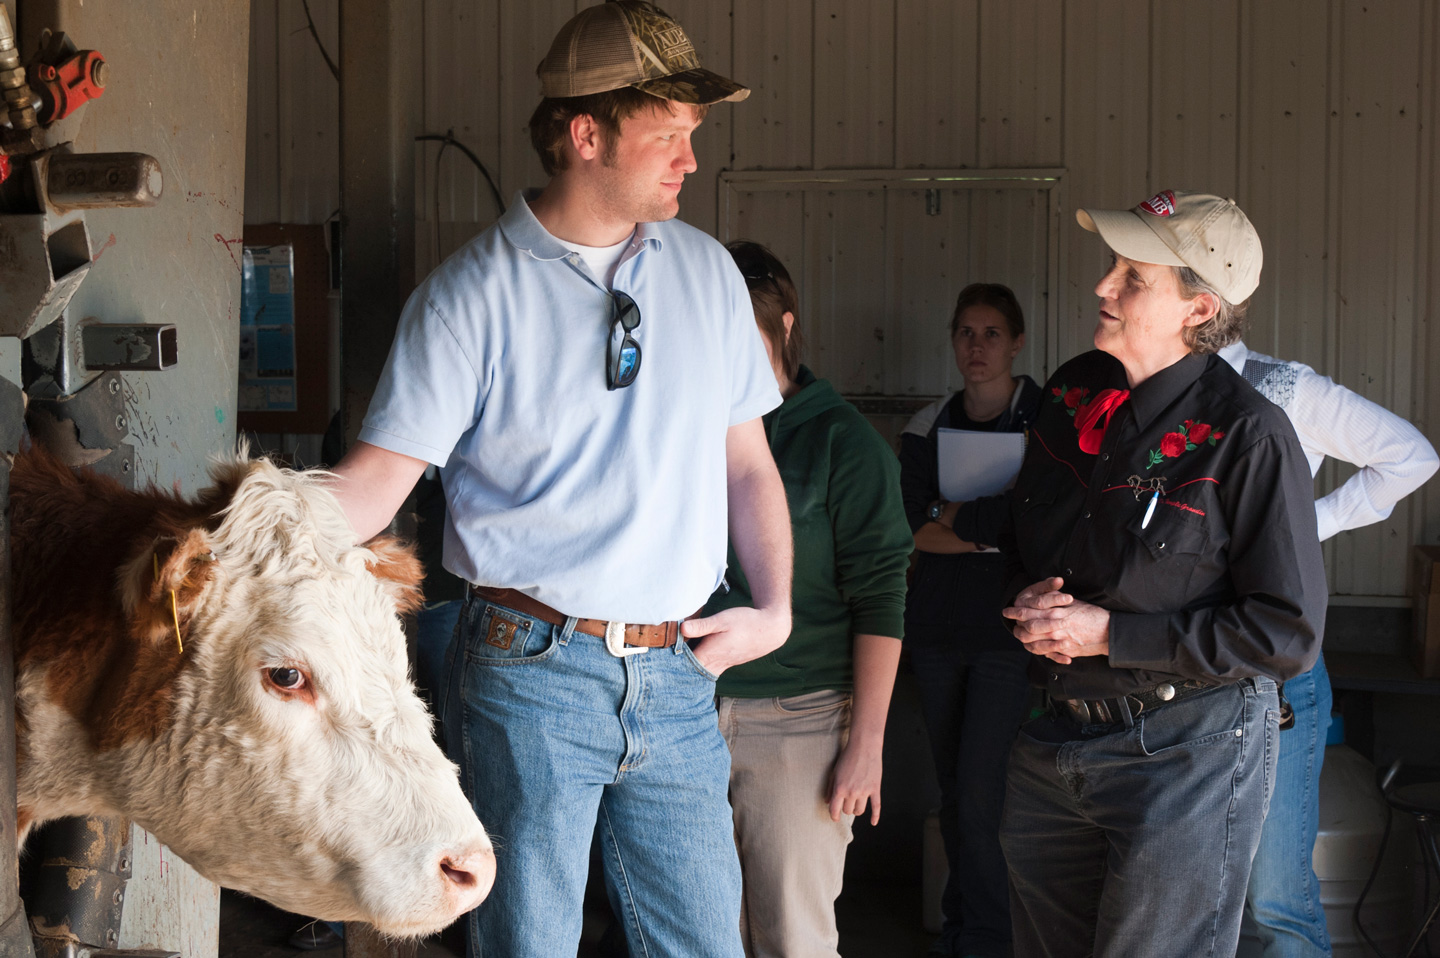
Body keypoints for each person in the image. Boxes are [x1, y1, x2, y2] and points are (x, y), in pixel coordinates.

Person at [326, 4, 794, 956]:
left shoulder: (707, 275)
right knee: (529, 943)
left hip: (676, 671)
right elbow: (373, 487)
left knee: (708, 944)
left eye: (691, 138)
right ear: (587, 135)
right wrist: (231, 535)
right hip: (527, 667)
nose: (689, 162)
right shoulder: (469, 297)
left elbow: (746, 462)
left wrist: (777, 608)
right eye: (667, 137)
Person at [996, 189, 1329, 956]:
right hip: (1053, 738)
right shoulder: (1072, 392)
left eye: (1132, 277)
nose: (1102, 288)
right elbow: (1021, 535)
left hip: (1185, 750)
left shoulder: (1248, 435)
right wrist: (1025, 599)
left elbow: (1287, 633)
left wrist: (1113, 633)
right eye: (1111, 267)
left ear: (1198, 308)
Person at [704, 241, 911, 958]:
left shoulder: (844, 444)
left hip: (798, 721)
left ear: (785, 328)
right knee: (701, 936)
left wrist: (868, 744)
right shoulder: (685, 430)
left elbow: (883, 597)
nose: (724, 360)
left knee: (792, 937)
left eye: (744, 340)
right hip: (686, 715)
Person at [1221, 340, 1439, 957]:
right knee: (1201, 895)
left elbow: (1409, 456)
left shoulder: (1283, 389)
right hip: (1183, 666)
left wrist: (1308, 523)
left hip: (1274, 668)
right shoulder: (1140, 389)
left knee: (1275, 900)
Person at [898, 283, 1042, 958]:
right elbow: (916, 534)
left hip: (1009, 634)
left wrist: (954, 516)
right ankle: (965, 927)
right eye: (965, 332)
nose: (976, 346)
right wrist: (993, 522)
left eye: (990, 334)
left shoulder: (1044, 420)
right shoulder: (928, 425)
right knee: (955, 791)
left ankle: (986, 939)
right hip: (937, 630)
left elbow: (1041, 528)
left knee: (987, 794)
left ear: (1016, 342)